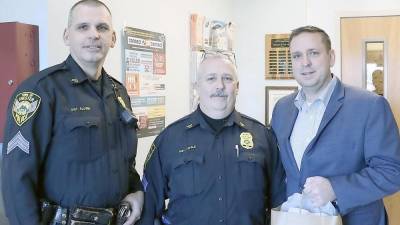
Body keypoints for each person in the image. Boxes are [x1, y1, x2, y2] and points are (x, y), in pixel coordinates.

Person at [1, 1, 143, 225]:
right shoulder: (40, 91)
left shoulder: (119, 93)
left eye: (102, 28)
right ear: (67, 36)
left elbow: (126, 162)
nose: (94, 35)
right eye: (83, 27)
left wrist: (137, 192)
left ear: (113, 38)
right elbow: (16, 179)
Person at [271, 25, 400, 225]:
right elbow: (279, 170)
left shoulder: (370, 106)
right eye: (297, 56)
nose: (305, 63)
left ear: (331, 57)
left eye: (313, 53)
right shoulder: (282, 108)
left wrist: (335, 189)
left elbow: (392, 172)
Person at [137, 52, 286, 225]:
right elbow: (148, 210)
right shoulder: (169, 140)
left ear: (237, 87)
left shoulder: (262, 137)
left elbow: (279, 206)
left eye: (227, 79)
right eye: (211, 79)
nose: (219, 86)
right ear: (197, 87)